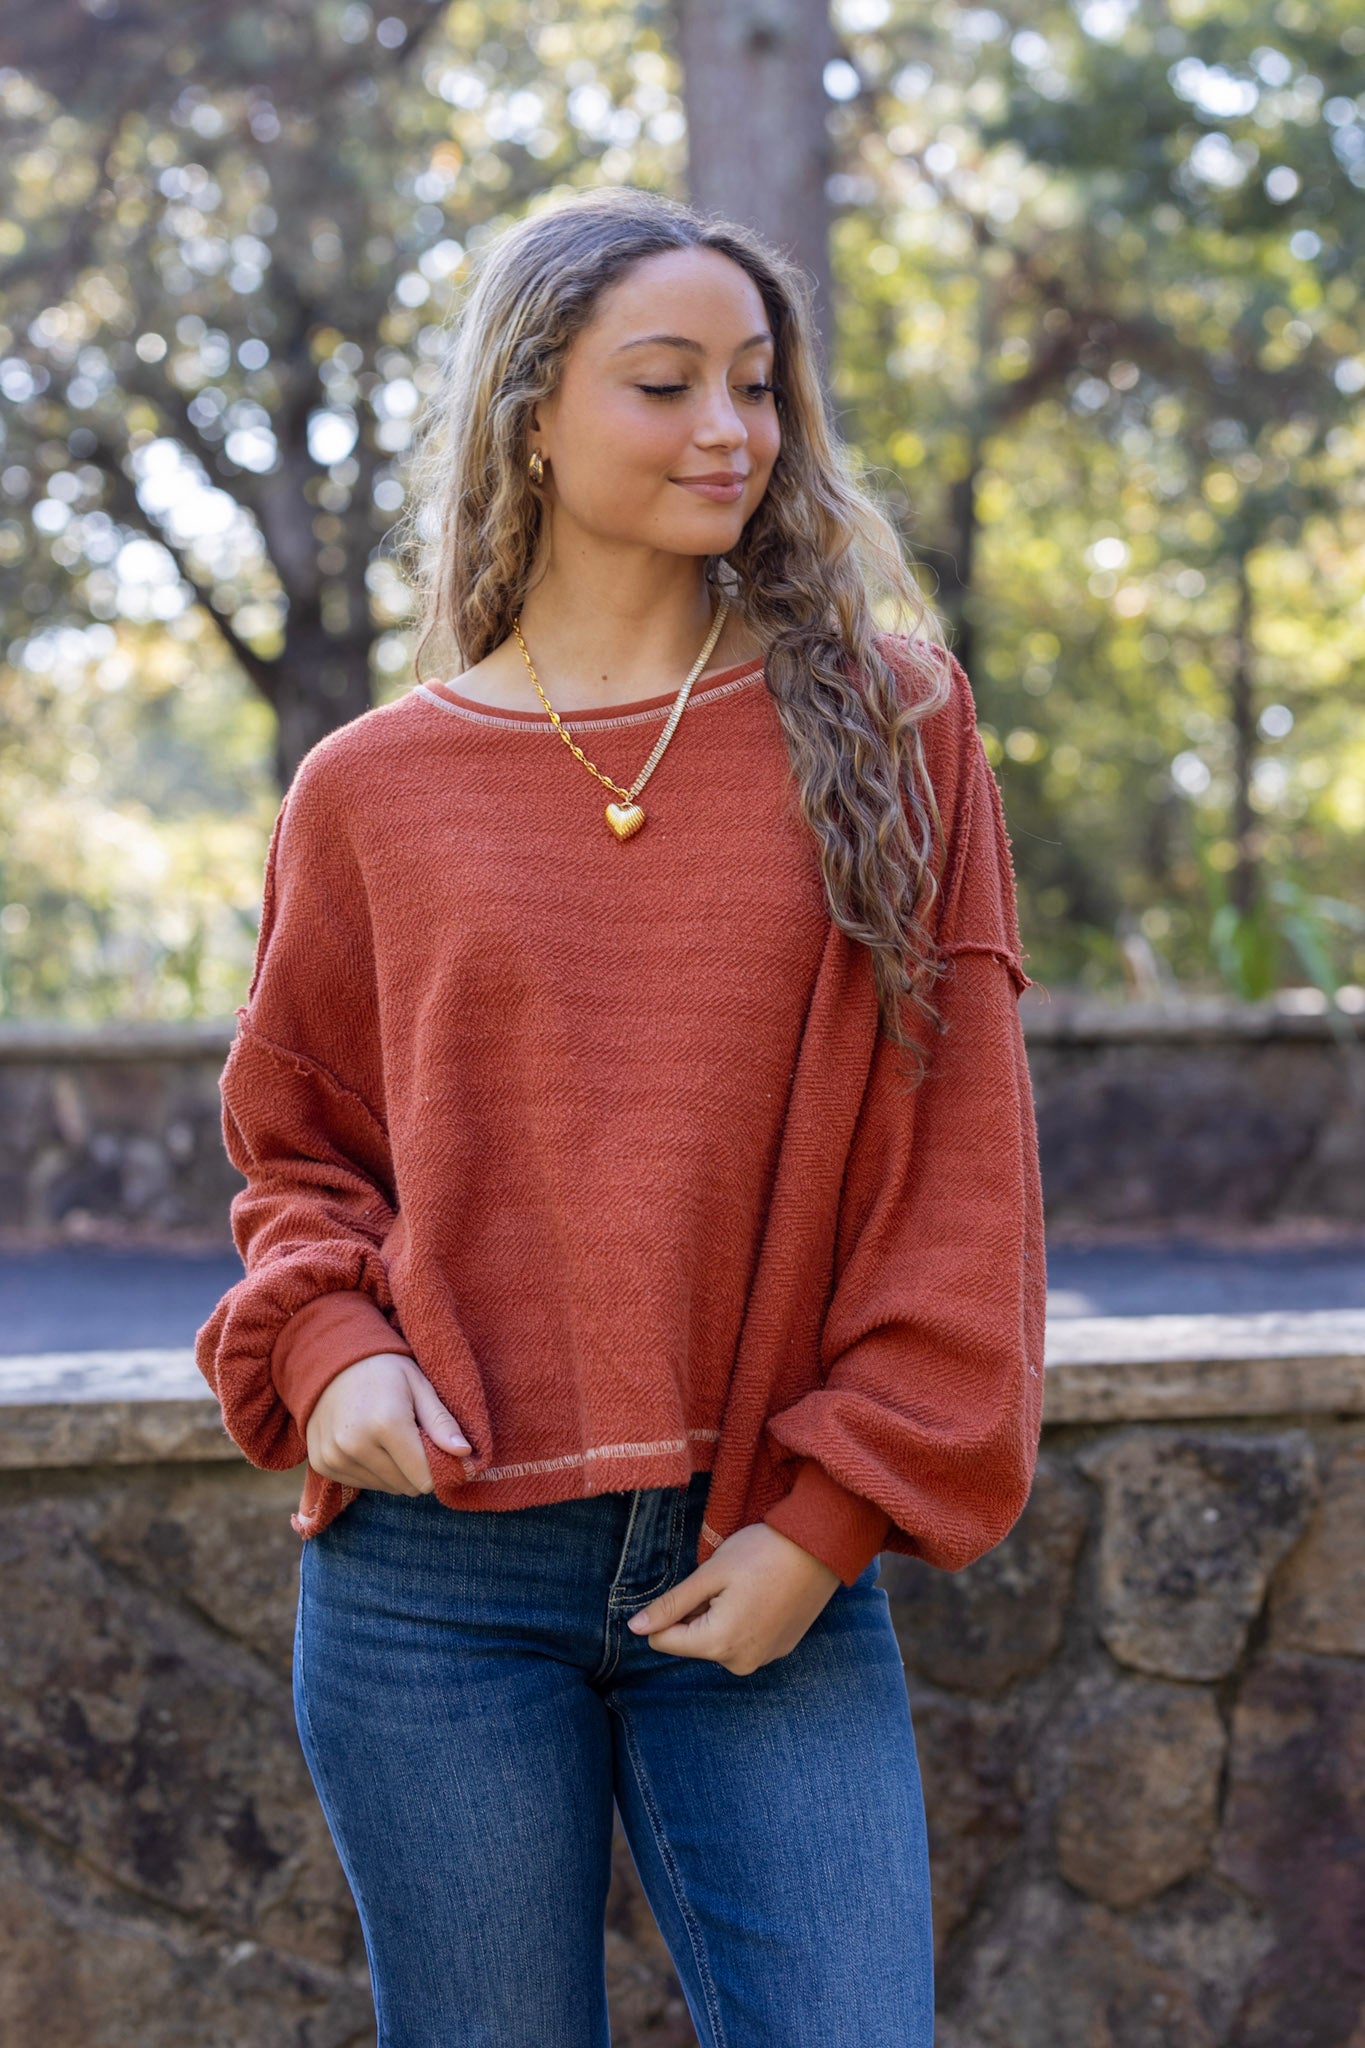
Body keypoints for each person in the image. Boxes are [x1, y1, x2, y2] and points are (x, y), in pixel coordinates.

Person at [195, 184, 1046, 2048]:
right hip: (430, 1580)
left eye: (757, 384)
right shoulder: (369, 789)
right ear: (530, 416)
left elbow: (959, 1176)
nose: (730, 429)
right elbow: (301, 1152)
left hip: (766, 1549)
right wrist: (331, 1350)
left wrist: (830, 1521)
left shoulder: (898, 726)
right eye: (665, 384)